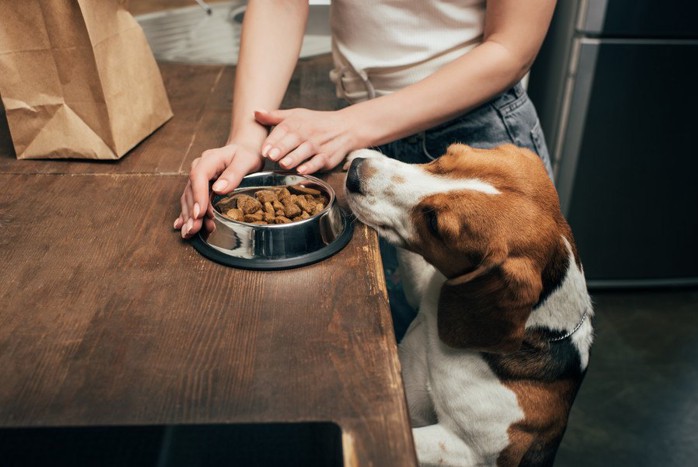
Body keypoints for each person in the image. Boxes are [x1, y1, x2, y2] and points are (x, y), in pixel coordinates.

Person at [173, 0, 556, 336]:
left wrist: (351, 125)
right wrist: (246, 139)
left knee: (491, 357)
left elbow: (511, 45)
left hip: (469, 146)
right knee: (385, 351)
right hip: (360, 136)